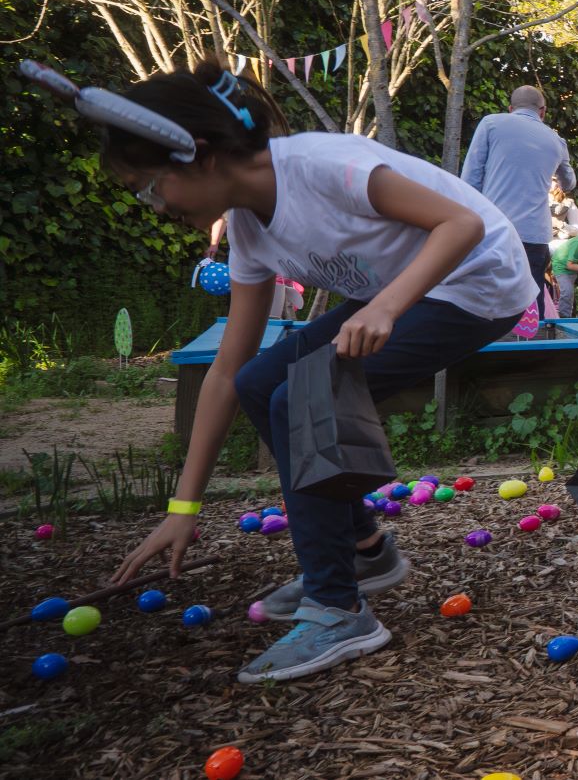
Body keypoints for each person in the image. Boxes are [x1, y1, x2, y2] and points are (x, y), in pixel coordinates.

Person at [96, 62, 533, 683]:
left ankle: (337, 607)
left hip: (478, 281)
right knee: (260, 385)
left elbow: (460, 224)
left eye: (150, 187)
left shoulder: (321, 166)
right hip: (399, 288)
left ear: (199, 158)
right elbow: (228, 371)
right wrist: (183, 506)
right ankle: (363, 550)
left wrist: (385, 306)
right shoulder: (248, 229)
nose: (154, 205)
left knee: (298, 397)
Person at [460, 85, 575, 319]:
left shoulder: (491, 124)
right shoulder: (556, 141)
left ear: (511, 108)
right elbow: (569, 183)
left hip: (494, 230)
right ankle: (535, 347)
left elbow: (470, 180)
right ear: (542, 112)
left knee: (487, 296)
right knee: (532, 300)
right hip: (535, 233)